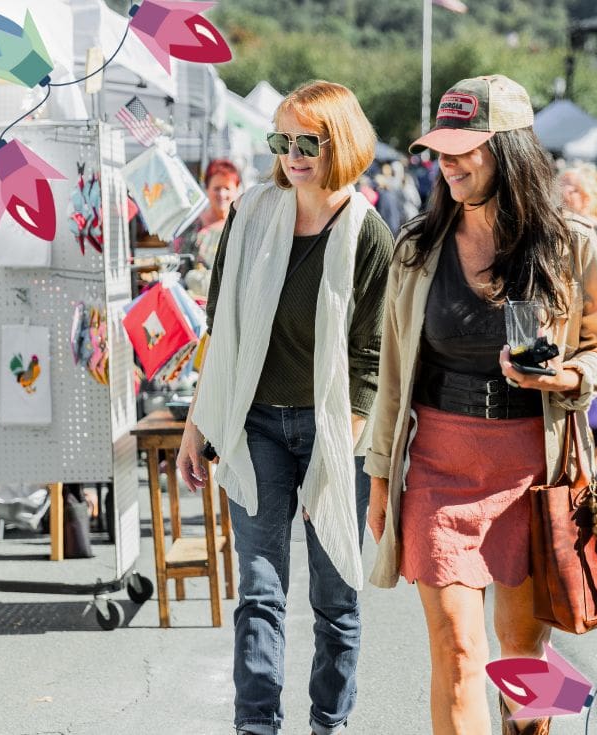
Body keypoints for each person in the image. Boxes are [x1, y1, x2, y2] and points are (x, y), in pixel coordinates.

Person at [365, 75, 597, 735]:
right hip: (438, 472)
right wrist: (379, 475)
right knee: (456, 649)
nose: (446, 164)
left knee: (523, 663)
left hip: (535, 475)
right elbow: (394, 375)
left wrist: (567, 377)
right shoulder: (417, 250)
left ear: (507, 149)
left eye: (462, 150)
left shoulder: (570, 245)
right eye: (440, 152)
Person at [177, 80, 394, 735]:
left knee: (334, 595)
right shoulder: (249, 214)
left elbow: (370, 360)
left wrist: (331, 459)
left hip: (338, 434)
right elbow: (221, 328)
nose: (293, 154)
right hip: (256, 427)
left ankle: (329, 721)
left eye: (309, 141)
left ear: (342, 143)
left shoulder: (369, 235)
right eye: (282, 140)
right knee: (261, 588)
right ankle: (256, 724)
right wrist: (197, 425)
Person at [559, 164, 597, 454]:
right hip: (589, 354)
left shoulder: (587, 235)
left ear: (585, 196)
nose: (559, 191)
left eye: (568, 186)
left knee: (588, 440)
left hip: (590, 352)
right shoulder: (585, 232)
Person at [173, 159, 242, 297]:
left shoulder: (242, 226)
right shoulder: (191, 226)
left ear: (237, 190)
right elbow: (178, 266)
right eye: (216, 188)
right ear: (207, 189)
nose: (222, 194)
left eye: (227, 188)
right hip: (193, 302)